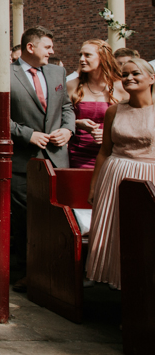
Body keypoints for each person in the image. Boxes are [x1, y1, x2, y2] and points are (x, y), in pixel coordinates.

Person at [9, 26, 75, 292]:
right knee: (25, 220)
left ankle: (53, 273)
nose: (52, 52)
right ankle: (24, 272)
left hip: (57, 159)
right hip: (23, 162)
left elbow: (67, 106)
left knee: (56, 219)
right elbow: (0, 116)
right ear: (30, 48)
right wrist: (28, 135)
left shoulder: (57, 72)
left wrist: (68, 130)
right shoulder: (7, 74)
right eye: (47, 47)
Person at [86, 58, 155, 289]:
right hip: (115, 176)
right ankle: (120, 289)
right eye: (124, 75)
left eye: (135, 73)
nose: (129, 78)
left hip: (149, 177)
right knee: (116, 233)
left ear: (152, 78)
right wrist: (95, 186)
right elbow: (104, 151)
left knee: (145, 237)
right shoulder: (114, 111)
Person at [66, 40, 128, 169]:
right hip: (77, 154)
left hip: (112, 154)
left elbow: (132, 122)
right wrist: (77, 123)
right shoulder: (72, 85)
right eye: (80, 55)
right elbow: (61, 118)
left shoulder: (121, 87)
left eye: (87, 55)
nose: (82, 59)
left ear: (103, 57)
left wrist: (110, 133)